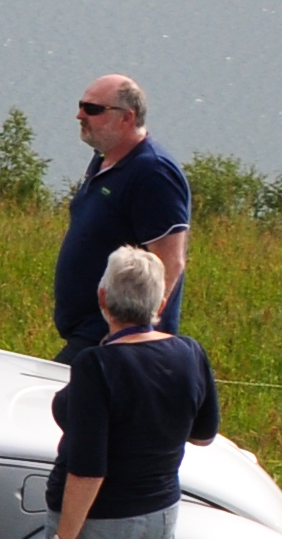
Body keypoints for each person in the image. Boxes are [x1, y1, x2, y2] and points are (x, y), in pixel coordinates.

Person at [44, 247, 218, 539]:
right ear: (161, 304)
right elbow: (203, 434)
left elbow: (88, 468)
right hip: (158, 514)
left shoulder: (97, 365)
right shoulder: (190, 353)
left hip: (98, 521)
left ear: (102, 298)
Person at [55, 73, 191, 352]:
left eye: (93, 109)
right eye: (81, 105)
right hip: (91, 332)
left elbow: (171, 262)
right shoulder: (104, 159)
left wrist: (135, 332)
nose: (80, 115)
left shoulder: (154, 173)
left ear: (127, 118)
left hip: (118, 341)